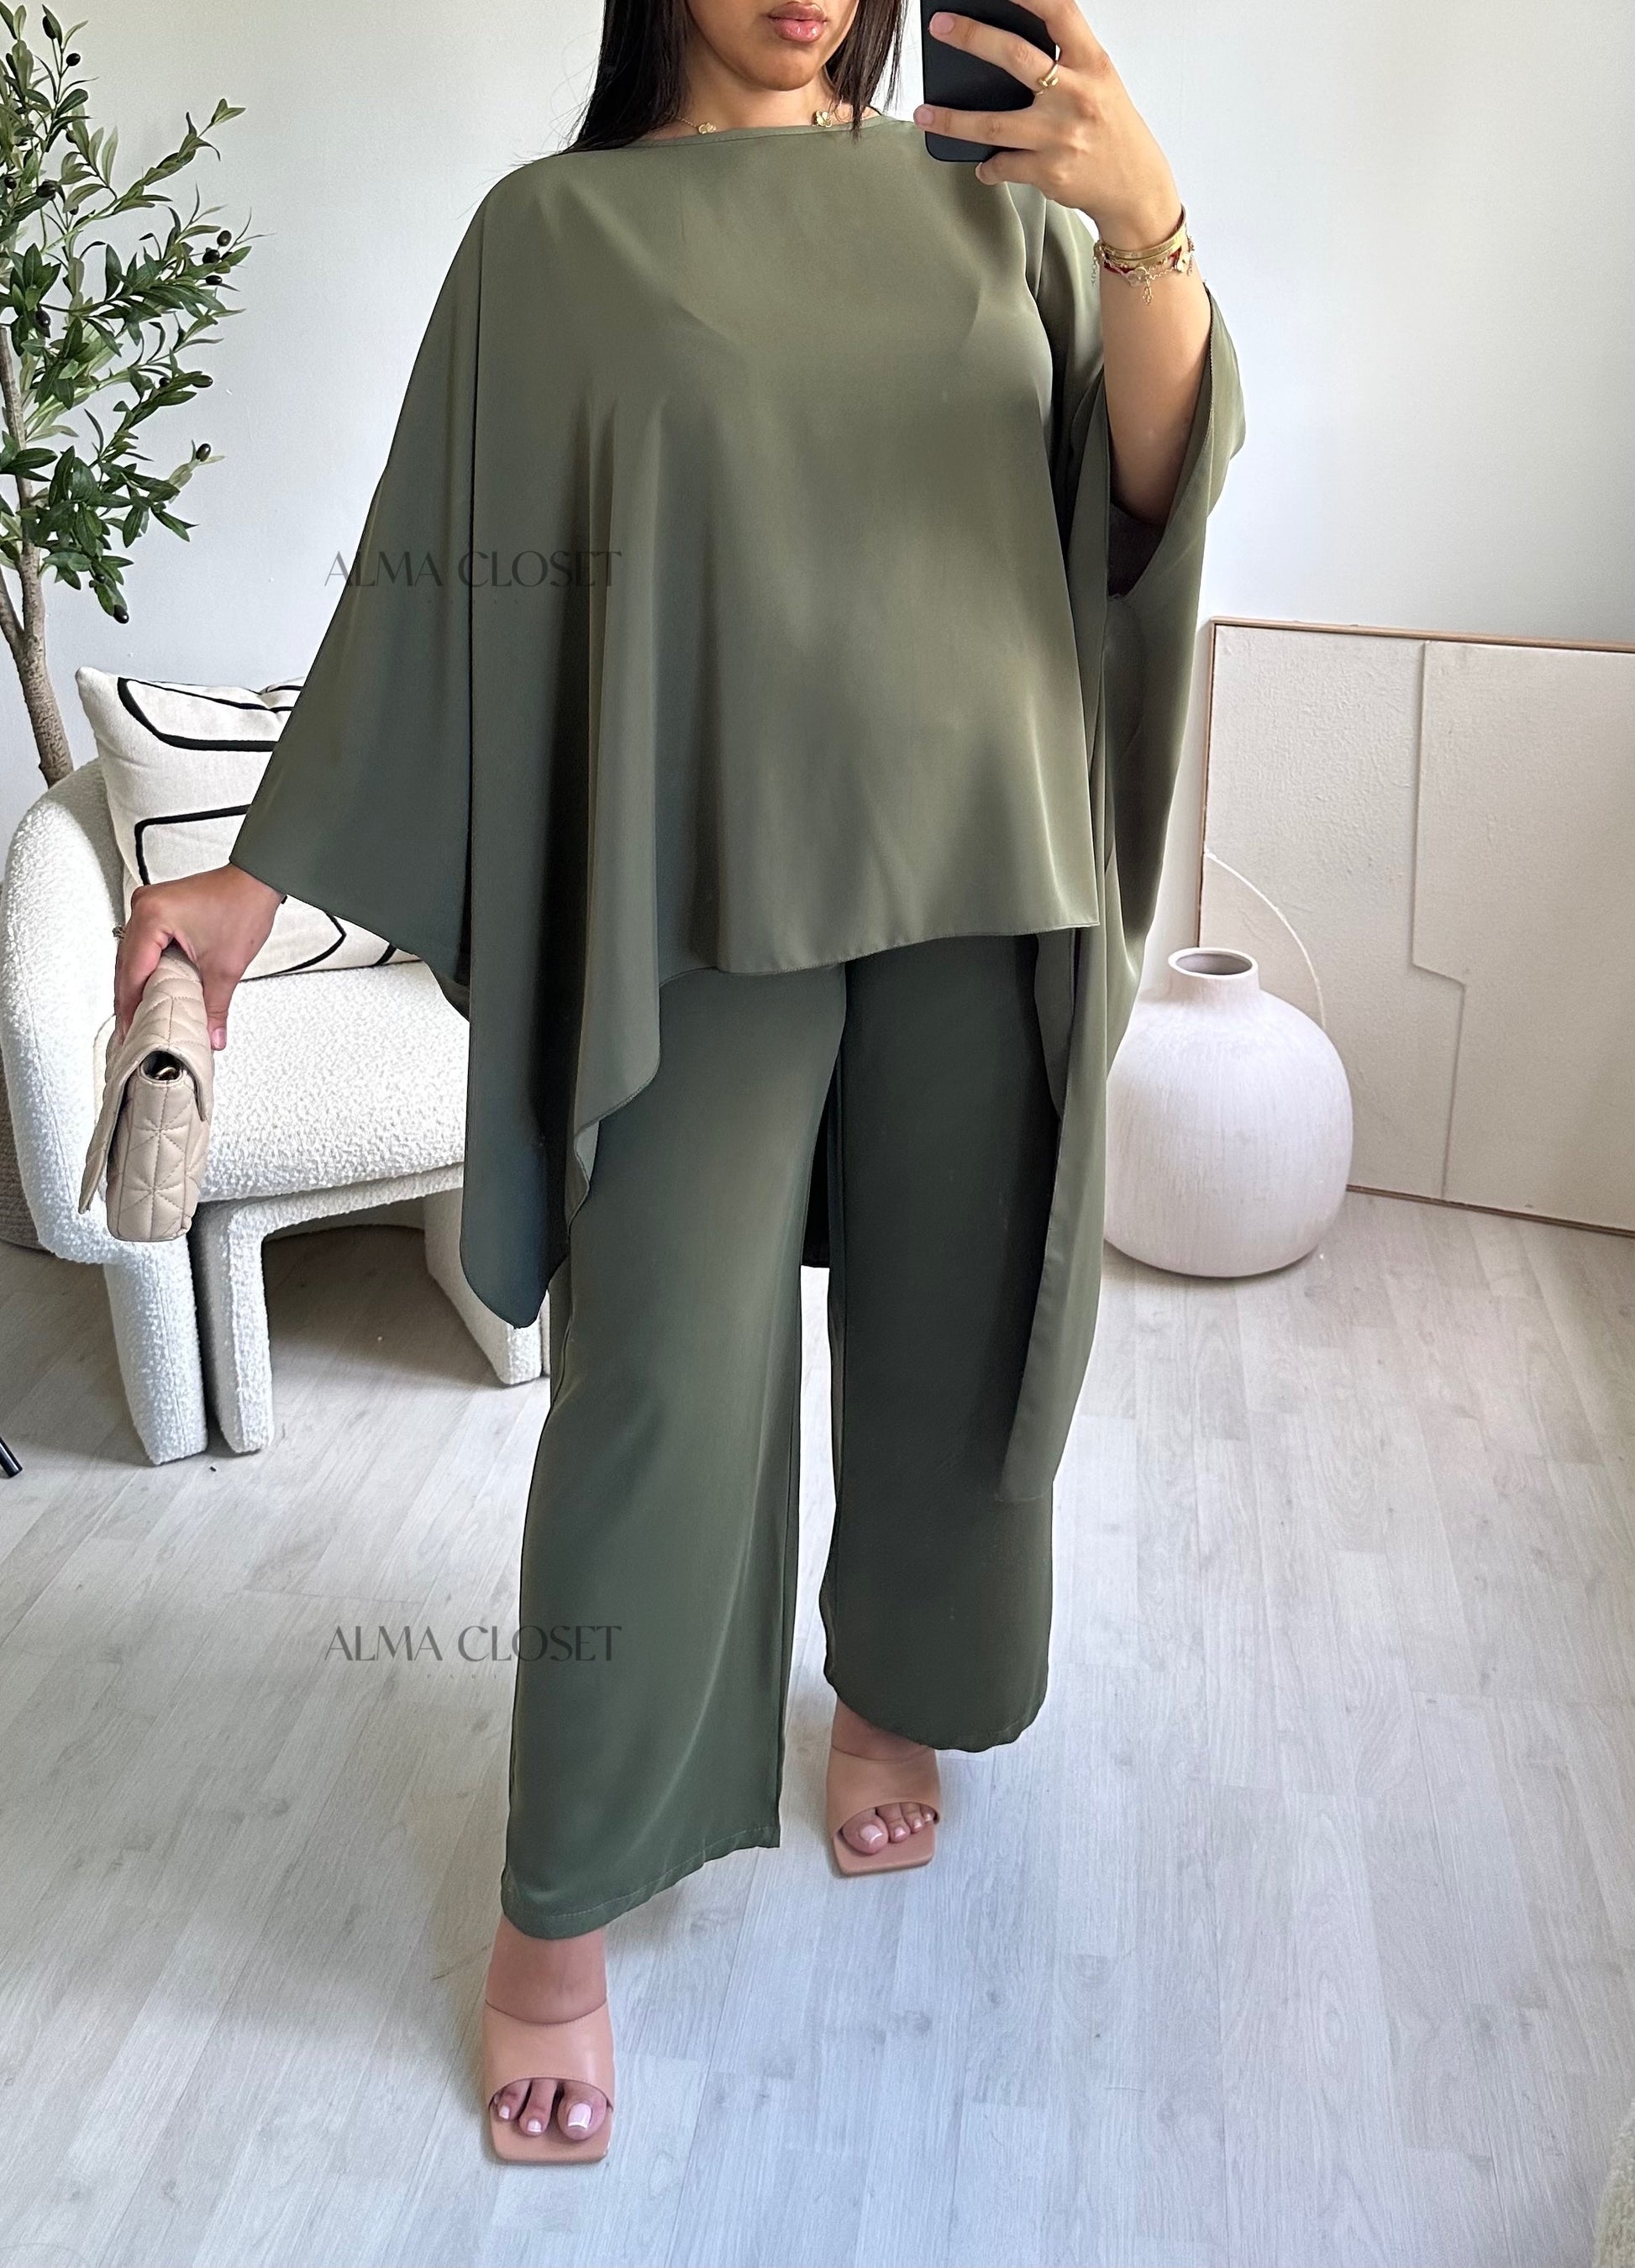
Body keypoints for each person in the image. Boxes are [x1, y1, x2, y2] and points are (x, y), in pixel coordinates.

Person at [113, 0, 1243, 2166]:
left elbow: (1145, 498)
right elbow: (420, 598)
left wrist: (1150, 227)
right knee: (659, 1390)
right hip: (699, 898)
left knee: (963, 1336)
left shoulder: (1002, 205)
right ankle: (558, 1913)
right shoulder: (554, 239)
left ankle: (894, 1689)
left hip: (995, 862)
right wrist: (251, 885)